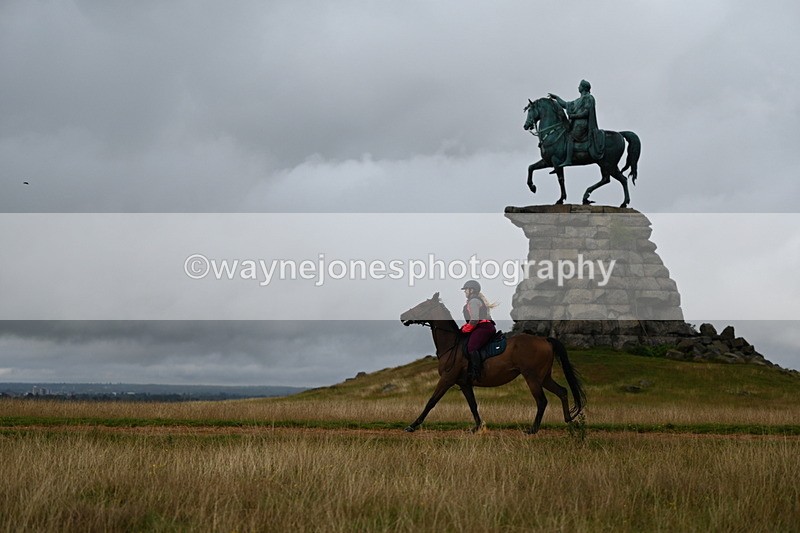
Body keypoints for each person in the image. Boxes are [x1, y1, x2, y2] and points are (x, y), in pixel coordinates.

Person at [548, 79, 605, 168]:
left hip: (582, 124)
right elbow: (565, 104)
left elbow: (586, 113)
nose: (578, 87)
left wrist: (574, 116)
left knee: (569, 136)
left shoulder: (589, 98)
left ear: (583, 88)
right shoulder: (578, 100)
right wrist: (556, 98)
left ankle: (568, 160)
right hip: (576, 123)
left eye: (580, 86)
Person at [460, 280, 497, 381]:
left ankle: (477, 372)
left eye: (466, 290)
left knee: (471, 347)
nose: (465, 292)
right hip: (483, 326)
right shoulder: (475, 300)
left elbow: (475, 320)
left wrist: (464, 330)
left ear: (471, 290)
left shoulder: (473, 301)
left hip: (483, 328)